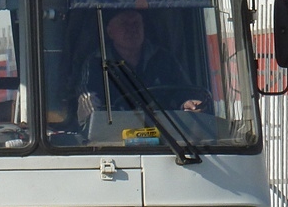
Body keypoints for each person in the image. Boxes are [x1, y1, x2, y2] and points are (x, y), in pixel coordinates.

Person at [75, 7, 203, 125]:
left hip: (167, 137)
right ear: (110, 32)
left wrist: (188, 103)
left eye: (136, 23)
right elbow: (90, 108)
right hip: (116, 139)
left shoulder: (164, 59)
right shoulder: (96, 63)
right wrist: (99, 122)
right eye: (124, 24)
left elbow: (185, 92)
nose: (132, 29)